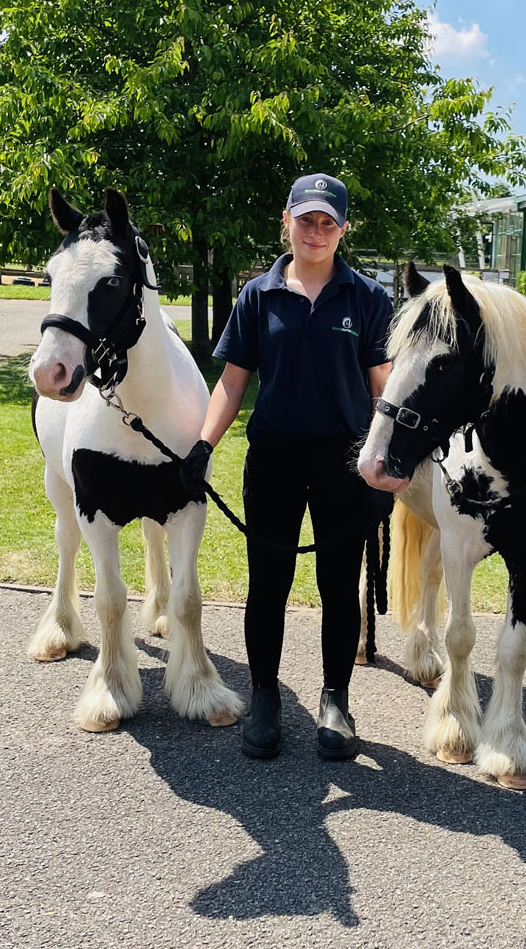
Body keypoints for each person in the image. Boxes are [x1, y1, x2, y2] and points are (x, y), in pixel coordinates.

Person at [182, 173, 392, 762]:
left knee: (336, 585)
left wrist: (385, 471)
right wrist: (204, 445)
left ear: (343, 229)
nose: (316, 232)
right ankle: (267, 697)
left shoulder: (369, 299)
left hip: (343, 462)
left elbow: (383, 389)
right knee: (267, 586)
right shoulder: (257, 295)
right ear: (287, 220)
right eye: (307, 220)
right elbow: (231, 382)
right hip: (272, 457)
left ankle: (335, 700)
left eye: (328, 223)